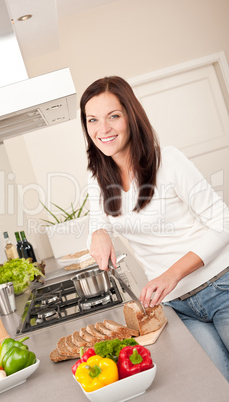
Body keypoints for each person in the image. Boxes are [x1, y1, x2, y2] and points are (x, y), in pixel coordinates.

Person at [80, 76, 229, 381]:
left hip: (220, 286)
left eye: (113, 116)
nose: (102, 129)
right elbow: (99, 220)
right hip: (174, 307)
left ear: (131, 117)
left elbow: (223, 223)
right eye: (92, 119)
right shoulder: (98, 177)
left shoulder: (168, 160)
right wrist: (100, 233)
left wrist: (171, 274)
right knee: (216, 386)